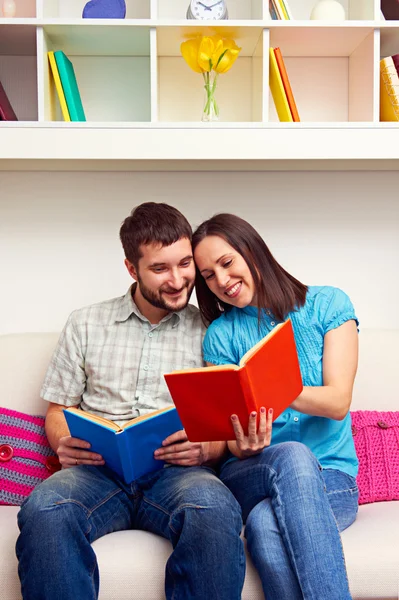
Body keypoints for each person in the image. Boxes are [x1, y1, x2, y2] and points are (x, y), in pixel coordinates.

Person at [16, 203, 245, 600]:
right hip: (97, 474)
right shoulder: (85, 323)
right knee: (45, 508)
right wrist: (62, 442)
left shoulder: (213, 328)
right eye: (160, 269)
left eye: (185, 264)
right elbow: (57, 411)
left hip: (177, 475)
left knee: (214, 509)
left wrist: (205, 448)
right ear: (131, 268)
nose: (178, 280)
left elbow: (226, 428)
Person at [192, 212, 359, 600]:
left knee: (266, 526)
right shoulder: (220, 336)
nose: (221, 281)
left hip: (331, 477)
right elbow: (230, 440)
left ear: (252, 251)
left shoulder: (328, 304)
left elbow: (337, 402)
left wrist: (276, 387)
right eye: (208, 275)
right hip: (252, 471)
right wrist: (242, 445)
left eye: (226, 263)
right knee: (292, 455)